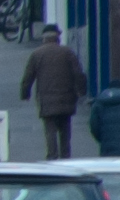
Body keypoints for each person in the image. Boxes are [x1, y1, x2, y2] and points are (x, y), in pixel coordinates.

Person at [21, 22, 87, 160]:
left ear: (44, 38)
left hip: (47, 100)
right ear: (57, 37)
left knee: (50, 130)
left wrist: (25, 93)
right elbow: (78, 73)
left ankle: (52, 157)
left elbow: (28, 76)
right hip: (66, 98)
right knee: (65, 130)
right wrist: (81, 91)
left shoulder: (37, 54)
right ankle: (65, 157)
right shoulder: (68, 52)